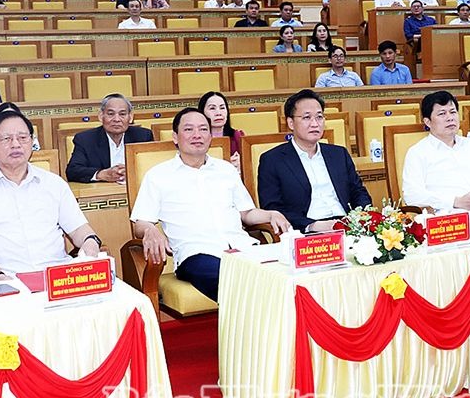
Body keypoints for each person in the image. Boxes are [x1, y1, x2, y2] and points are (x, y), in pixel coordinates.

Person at [130, 107, 291, 301]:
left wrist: (271, 214)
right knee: (238, 282)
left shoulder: (226, 170)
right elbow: (140, 223)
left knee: (289, 271)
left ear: (210, 136)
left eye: (203, 129)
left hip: (243, 248)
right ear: (175, 137)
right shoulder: (158, 175)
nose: (197, 135)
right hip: (197, 254)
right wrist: (150, 230)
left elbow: (247, 213)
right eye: (188, 129)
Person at [0, 111, 101, 278]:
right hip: (3, 278)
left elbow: (79, 229)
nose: (16, 144)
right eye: (6, 139)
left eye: (23, 137)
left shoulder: (54, 183)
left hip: (56, 277)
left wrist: (90, 242)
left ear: (32, 142)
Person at [258, 89, 372, 232]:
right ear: (291, 123)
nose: (315, 124)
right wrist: (311, 225)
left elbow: (359, 192)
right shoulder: (272, 160)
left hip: (347, 225)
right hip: (307, 230)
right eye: (307, 117)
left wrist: (359, 218)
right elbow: (273, 208)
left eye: (319, 117)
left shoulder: (339, 154)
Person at [402, 91, 470, 244]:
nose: (450, 118)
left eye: (453, 112)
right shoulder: (418, 152)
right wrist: (457, 201)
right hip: (451, 217)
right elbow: (412, 195)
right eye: (442, 114)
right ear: (428, 122)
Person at [66, 94, 154, 183]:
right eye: (111, 114)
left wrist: (132, 171)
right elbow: (72, 171)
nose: (117, 119)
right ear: (101, 116)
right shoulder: (86, 139)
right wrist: (101, 174)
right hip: (102, 190)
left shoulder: (143, 136)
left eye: (122, 114)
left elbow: (153, 166)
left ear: (130, 117)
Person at [199, 91, 244, 171]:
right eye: (212, 108)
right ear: (202, 113)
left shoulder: (237, 136)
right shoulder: (197, 139)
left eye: (222, 108)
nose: (218, 113)